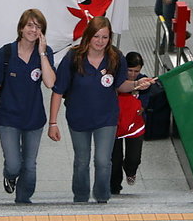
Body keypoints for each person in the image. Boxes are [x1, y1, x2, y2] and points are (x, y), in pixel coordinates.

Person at [48, 17, 154, 203]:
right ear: (88, 36)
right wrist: (53, 122)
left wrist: (137, 84)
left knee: (103, 161)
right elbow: (58, 91)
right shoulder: (73, 57)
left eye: (105, 37)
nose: (100, 41)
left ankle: (102, 198)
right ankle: (80, 198)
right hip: (78, 119)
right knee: (82, 161)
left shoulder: (115, 57)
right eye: (96, 36)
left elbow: (121, 85)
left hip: (107, 119)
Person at [0, 9, 56, 204]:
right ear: (21, 28)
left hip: (34, 117)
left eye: (38, 27)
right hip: (8, 117)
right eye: (30, 25)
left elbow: (50, 82)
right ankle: (10, 175)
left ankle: (23, 203)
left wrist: (42, 54)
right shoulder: (6, 52)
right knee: (14, 164)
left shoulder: (45, 53)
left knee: (30, 166)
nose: (33, 30)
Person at [110, 51, 154, 195]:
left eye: (136, 71)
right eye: (130, 70)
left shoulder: (144, 82)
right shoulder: (116, 79)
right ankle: (114, 187)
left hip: (135, 125)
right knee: (114, 160)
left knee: (134, 157)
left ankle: (130, 170)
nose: (133, 74)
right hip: (115, 125)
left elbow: (145, 103)